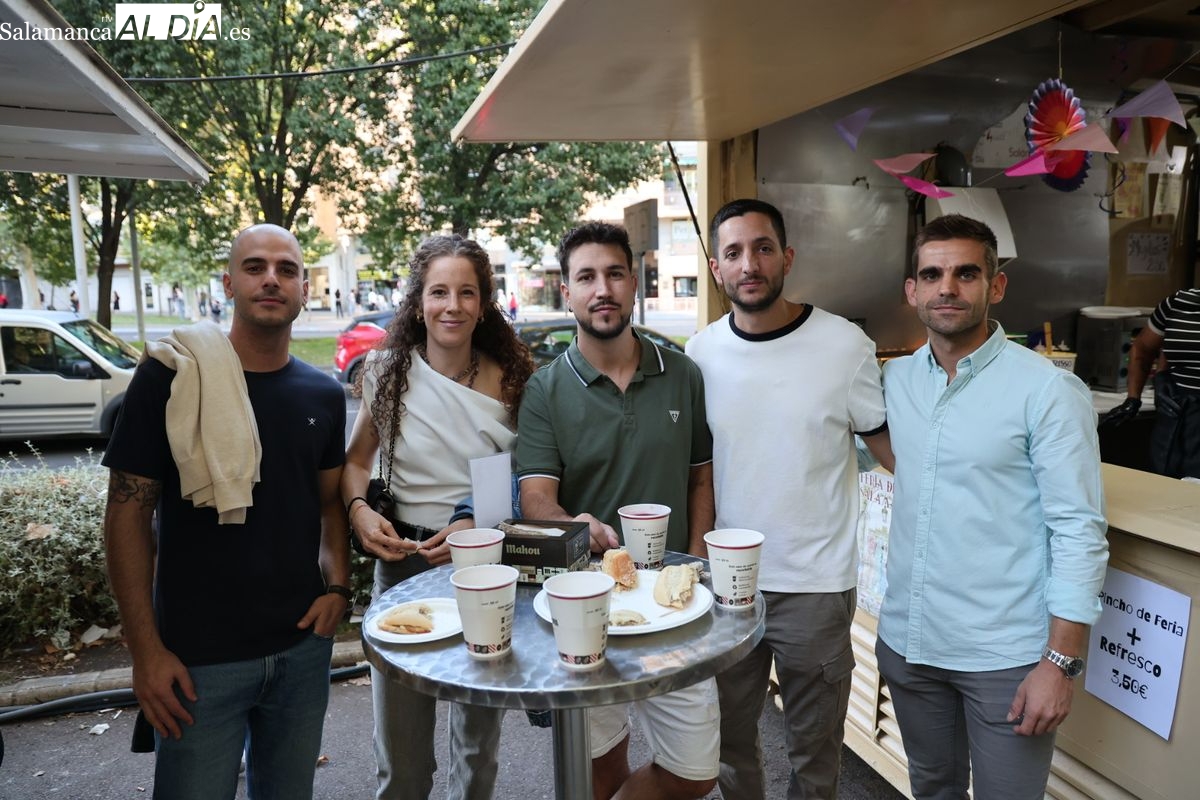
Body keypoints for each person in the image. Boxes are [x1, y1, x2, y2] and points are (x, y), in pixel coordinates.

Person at [101, 224, 350, 800]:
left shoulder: (323, 393)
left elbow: (329, 504)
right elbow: (127, 514)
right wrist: (145, 652)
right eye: (255, 267)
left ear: (305, 288)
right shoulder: (172, 377)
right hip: (196, 661)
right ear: (228, 283)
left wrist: (338, 588)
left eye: (287, 269)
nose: (271, 279)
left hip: (300, 653)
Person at [876, 214, 1108, 799]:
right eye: (931, 274)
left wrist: (1060, 663)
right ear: (913, 292)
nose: (946, 287)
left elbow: (1078, 532)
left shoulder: (1047, 390)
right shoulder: (895, 381)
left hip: (1003, 656)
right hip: (910, 643)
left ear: (996, 286)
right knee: (931, 789)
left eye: (966, 273)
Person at [685, 198, 893, 800]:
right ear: (717, 268)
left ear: (787, 257)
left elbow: (888, 451)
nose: (749, 264)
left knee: (815, 746)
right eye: (733, 252)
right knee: (727, 740)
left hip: (817, 584)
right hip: (726, 585)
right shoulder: (698, 356)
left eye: (763, 248)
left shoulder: (845, 344)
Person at [517, 221, 718, 800]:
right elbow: (537, 497)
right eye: (586, 277)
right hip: (585, 602)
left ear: (635, 283)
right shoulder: (546, 389)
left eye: (614, 273)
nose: (601, 288)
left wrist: (697, 559)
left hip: (673, 604)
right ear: (568, 292)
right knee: (598, 769)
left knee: (694, 773)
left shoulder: (682, 374)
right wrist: (569, 523)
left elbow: (700, 476)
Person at [341, 234, 534, 800]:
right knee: (401, 758)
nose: (453, 305)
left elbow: (531, 479)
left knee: (477, 752)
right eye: (439, 292)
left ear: (484, 302)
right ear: (418, 301)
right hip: (402, 569)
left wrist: (483, 528)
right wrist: (357, 510)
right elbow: (355, 462)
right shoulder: (384, 370)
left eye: (467, 292)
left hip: (484, 570)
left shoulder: (516, 379)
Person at [1100, 287, 1200, 478]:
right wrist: (1133, 398)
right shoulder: (1179, 303)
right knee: (1167, 488)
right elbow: (1142, 348)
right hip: (1177, 416)